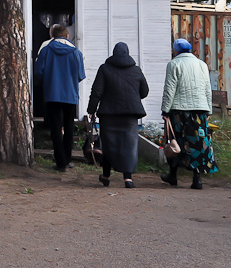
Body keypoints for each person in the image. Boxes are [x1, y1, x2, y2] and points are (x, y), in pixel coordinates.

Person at [87, 42, 148, 188]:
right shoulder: (136, 70)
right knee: (129, 145)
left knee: (109, 145)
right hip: (130, 115)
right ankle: (128, 178)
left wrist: (91, 110)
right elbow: (144, 92)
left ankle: (106, 176)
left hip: (109, 114)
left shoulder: (105, 69)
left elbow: (97, 91)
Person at [160, 38, 218, 189]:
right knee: (197, 143)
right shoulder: (202, 64)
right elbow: (207, 88)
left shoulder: (173, 64)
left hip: (179, 111)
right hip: (200, 111)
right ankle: (197, 179)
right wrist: (208, 110)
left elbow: (169, 89)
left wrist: (165, 110)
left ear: (175, 50)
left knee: (175, 141)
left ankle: (173, 175)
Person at [35, 24, 86, 172]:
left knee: (55, 128)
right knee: (69, 127)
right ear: (67, 36)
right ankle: (68, 159)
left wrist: (49, 79)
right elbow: (81, 75)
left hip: (52, 94)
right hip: (70, 95)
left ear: (52, 35)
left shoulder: (46, 50)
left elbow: (38, 72)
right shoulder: (76, 52)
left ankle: (60, 162)